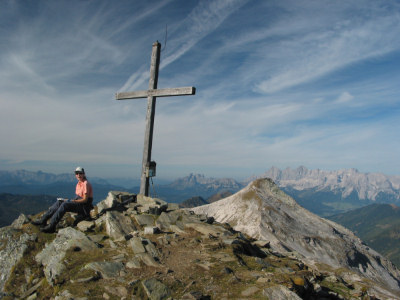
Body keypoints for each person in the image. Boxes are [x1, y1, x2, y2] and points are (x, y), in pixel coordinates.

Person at [31, 166, 94, 233]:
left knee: (64, 205)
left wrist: (72, 201)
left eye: (80, 173)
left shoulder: (85, 184)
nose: (78, 175)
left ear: (83, 174)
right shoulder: (79, 183)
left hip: (84, 207)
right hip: (79, 204)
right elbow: (78, 197)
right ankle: (43, 220)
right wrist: (68, 200)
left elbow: (85, 200)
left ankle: (51, 226)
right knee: (59, 202)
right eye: (77, 173)